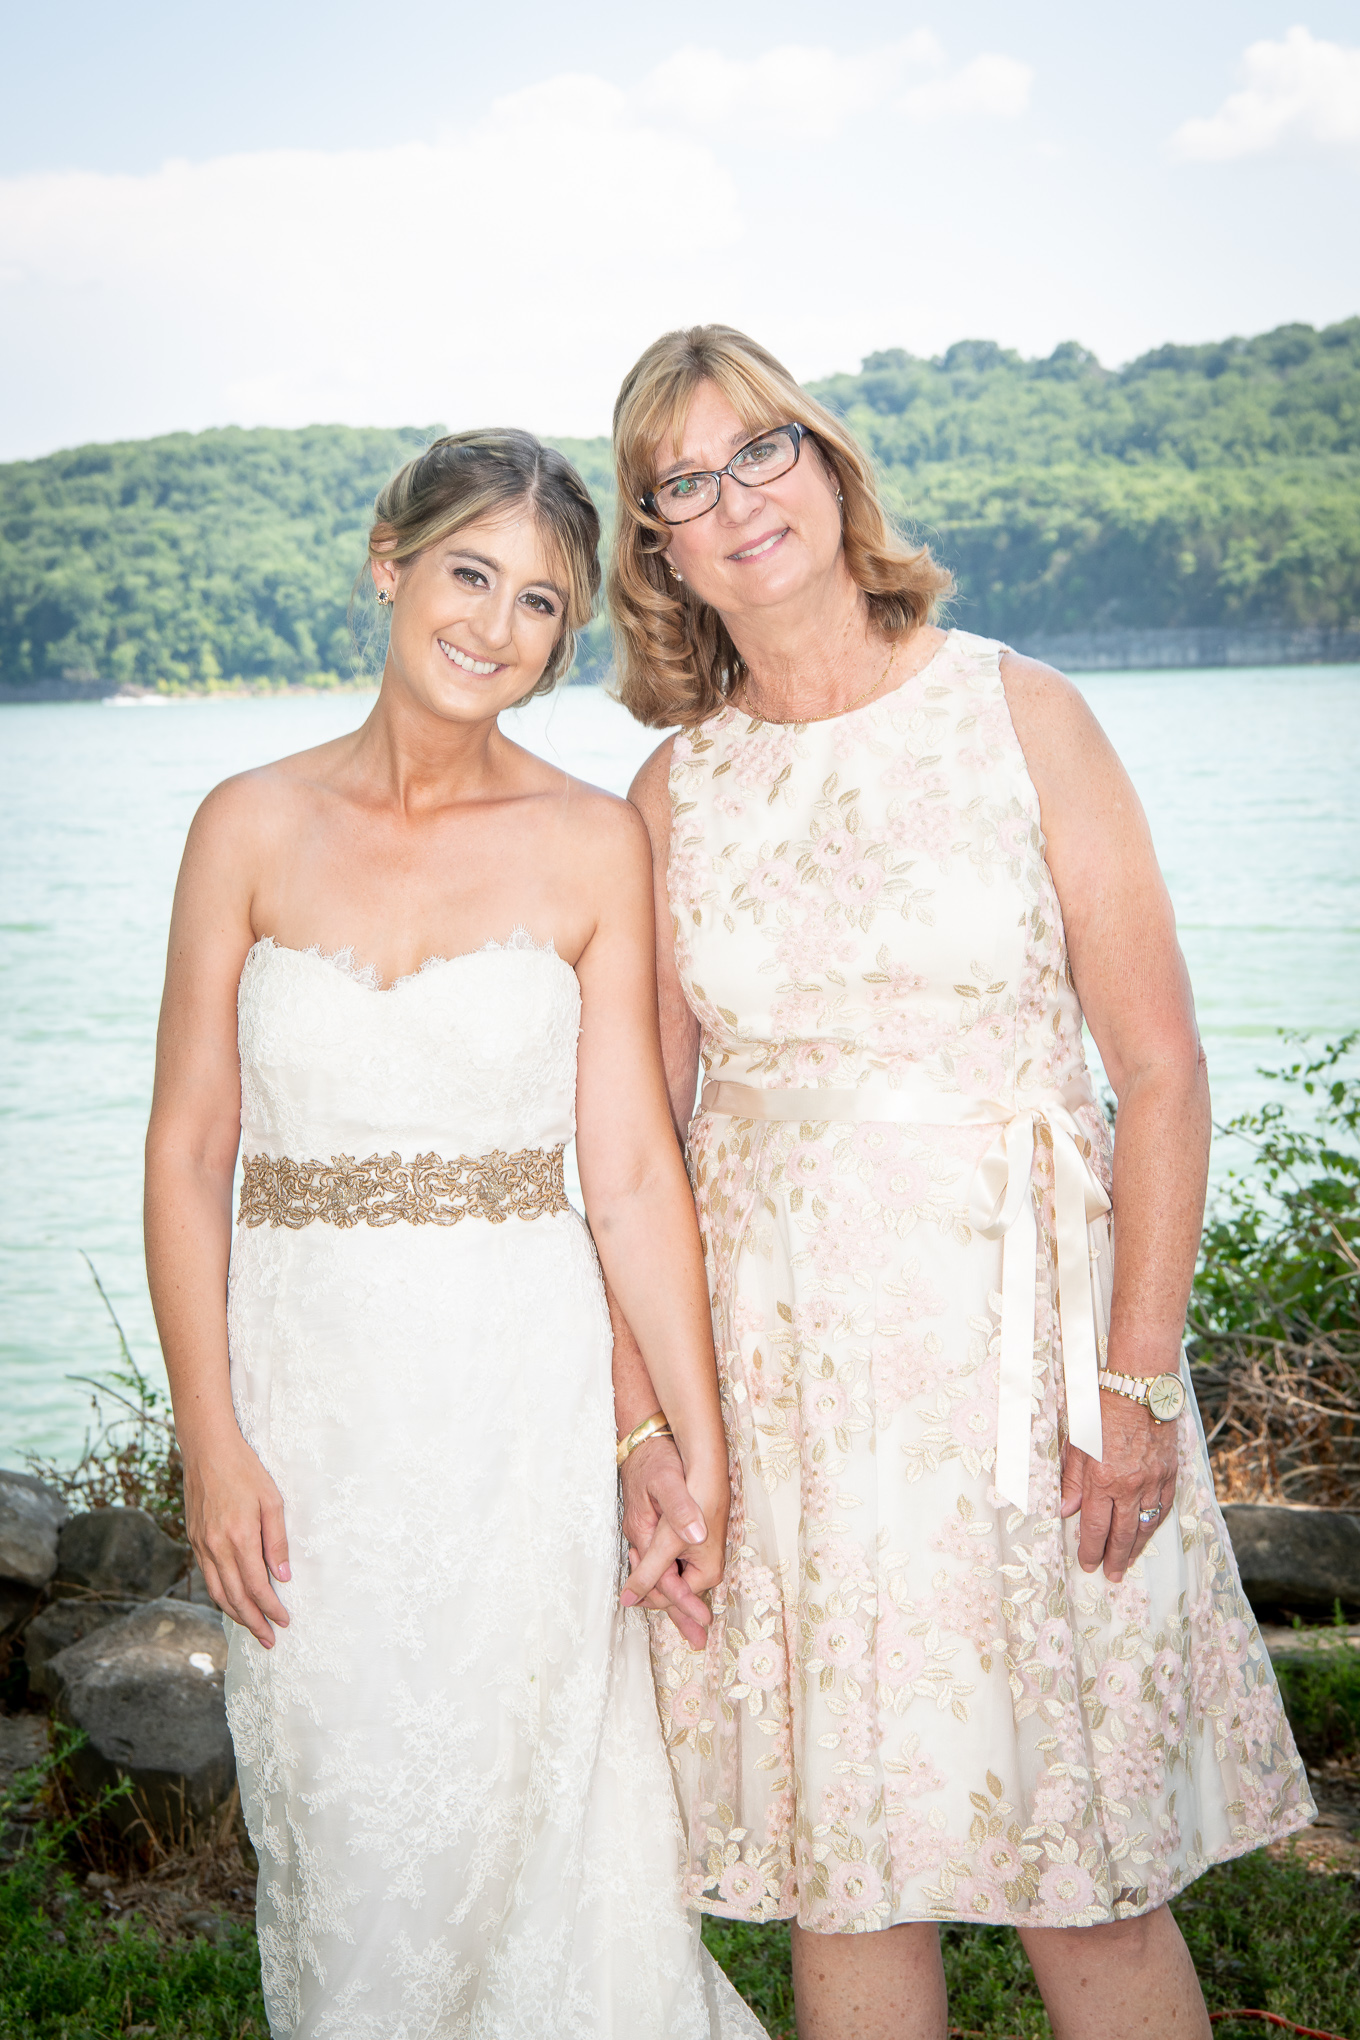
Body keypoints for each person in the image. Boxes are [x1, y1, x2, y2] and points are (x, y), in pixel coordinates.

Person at [605, 327, 1315, 2040]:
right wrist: (647, 1435)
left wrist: (1135, 1380)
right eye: (684, 482)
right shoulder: (669, 793)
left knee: (1086, 1876)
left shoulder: (1020, 709)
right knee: (846, 1875)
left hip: (1027, 1366)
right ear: (661, 551)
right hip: (786, 1397)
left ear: (831, 461)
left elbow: (1159, 1070)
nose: (738, 498)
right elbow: (630, 1148)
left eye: (761, 448)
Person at [143, 429, 765, 2040]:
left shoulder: (587, 842)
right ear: (388, 563)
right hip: (309, 1405)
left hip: (519, 1410)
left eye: (543, 603)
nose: (496, 626)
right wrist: (209, 1435)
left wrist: (688, 1437)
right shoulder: (245, 826)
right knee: (348, 1834)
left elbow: (628, 1168)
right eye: (469, 575)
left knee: (532, 1828)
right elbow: (190, 1142)